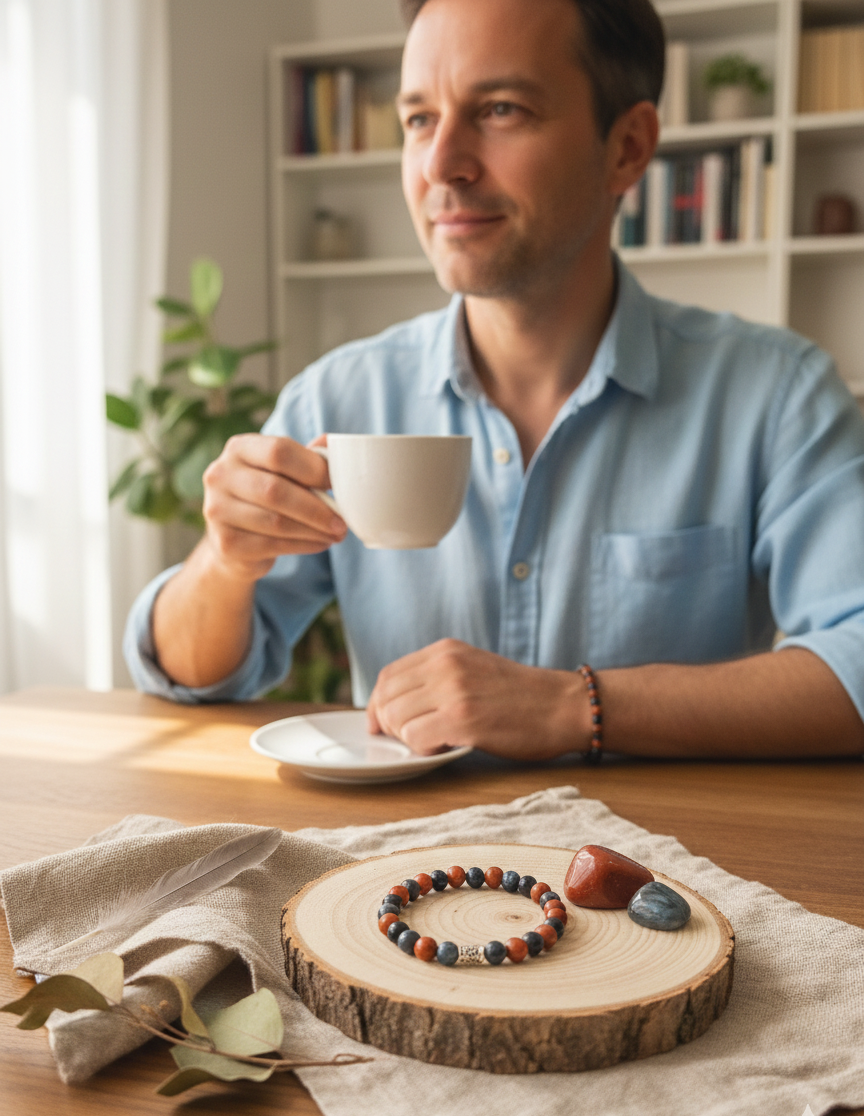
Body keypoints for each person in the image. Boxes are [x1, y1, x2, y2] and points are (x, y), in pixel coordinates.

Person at [125, 0, 864, 760]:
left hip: (656, 871)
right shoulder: (337, 399)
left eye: (501, 109)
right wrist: (224, 561)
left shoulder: (777, 397)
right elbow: (187, 678)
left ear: (628, 147)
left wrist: (577, 706)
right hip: (402, 869)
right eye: (417, 119)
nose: (441, 163)